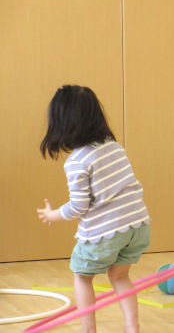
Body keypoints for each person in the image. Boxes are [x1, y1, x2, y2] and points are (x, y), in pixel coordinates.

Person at [37, 85, 151, 333]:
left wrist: (53, 214)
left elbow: (79, 206)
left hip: (106, 233)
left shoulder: (77, 161)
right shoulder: (113, 146)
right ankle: (132, 327)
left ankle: (88, 330)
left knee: (81, 275)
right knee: (119, 276)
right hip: (138, 226)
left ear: (61, 123)